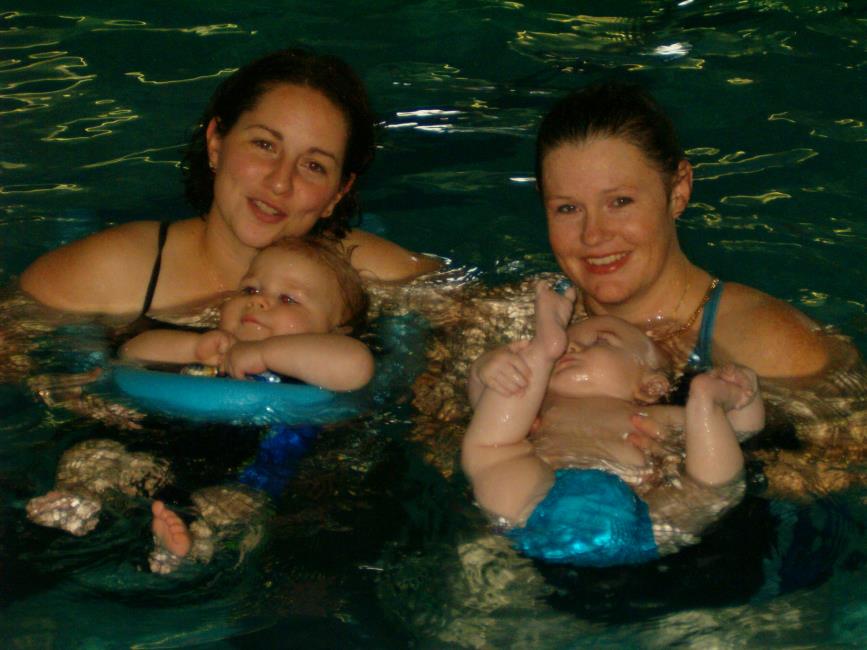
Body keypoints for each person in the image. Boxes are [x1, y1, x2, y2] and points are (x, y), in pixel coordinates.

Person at [27, 236, 375, 573]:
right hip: (151, 457)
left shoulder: (320, 366)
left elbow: (356, 366)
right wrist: (194, 348)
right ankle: (80, 497)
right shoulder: (212, 348)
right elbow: (133, 353)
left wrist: (262, 354)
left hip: (245, 478)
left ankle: (188, 546)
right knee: (93, 454)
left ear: (336, 331)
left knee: (237, 511)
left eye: (288, 299)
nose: (259, 302)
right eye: (250, 290)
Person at [19, 48, 439, 323]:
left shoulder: (364, 274)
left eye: (313, 165)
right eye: (264, 144)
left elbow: (473, 321)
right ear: (216, 143)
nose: (280, 181)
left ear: (338, 193)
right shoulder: (113, 273)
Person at [535, 81, 838, 381]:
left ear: (678, 191)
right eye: (567, 208)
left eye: (621, 201)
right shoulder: (524, 316)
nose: (593, 235)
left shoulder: (771, 348)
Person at [462, 282, 765, 566]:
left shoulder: (656, 418)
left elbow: (740, 432)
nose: (572, 348)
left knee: (710, 489)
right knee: (495, 442)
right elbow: (486, 410)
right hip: (531, 499)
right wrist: (488, 368)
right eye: (562, 347)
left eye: (599, 340)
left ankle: (708, 400)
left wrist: (743, 394)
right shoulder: (535, 406)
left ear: (650, 386)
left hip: (640, 513)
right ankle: (540, 350)